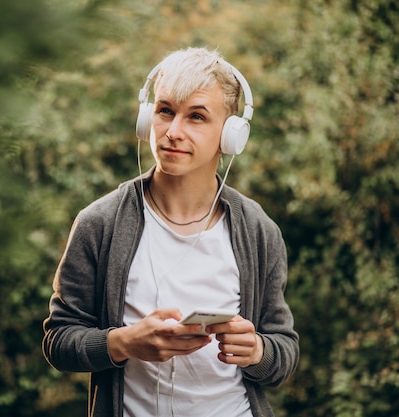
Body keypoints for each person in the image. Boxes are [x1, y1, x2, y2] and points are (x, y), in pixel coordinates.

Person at [42, 47, 299, 417]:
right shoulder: (99, 223)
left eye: (196, 116)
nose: (173, 132)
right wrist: (122, 343)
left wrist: (258, 351)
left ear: (231, 134)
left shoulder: (258, 231)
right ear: (148, 118)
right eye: (165, 111)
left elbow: (284, 352)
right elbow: (58, 341)